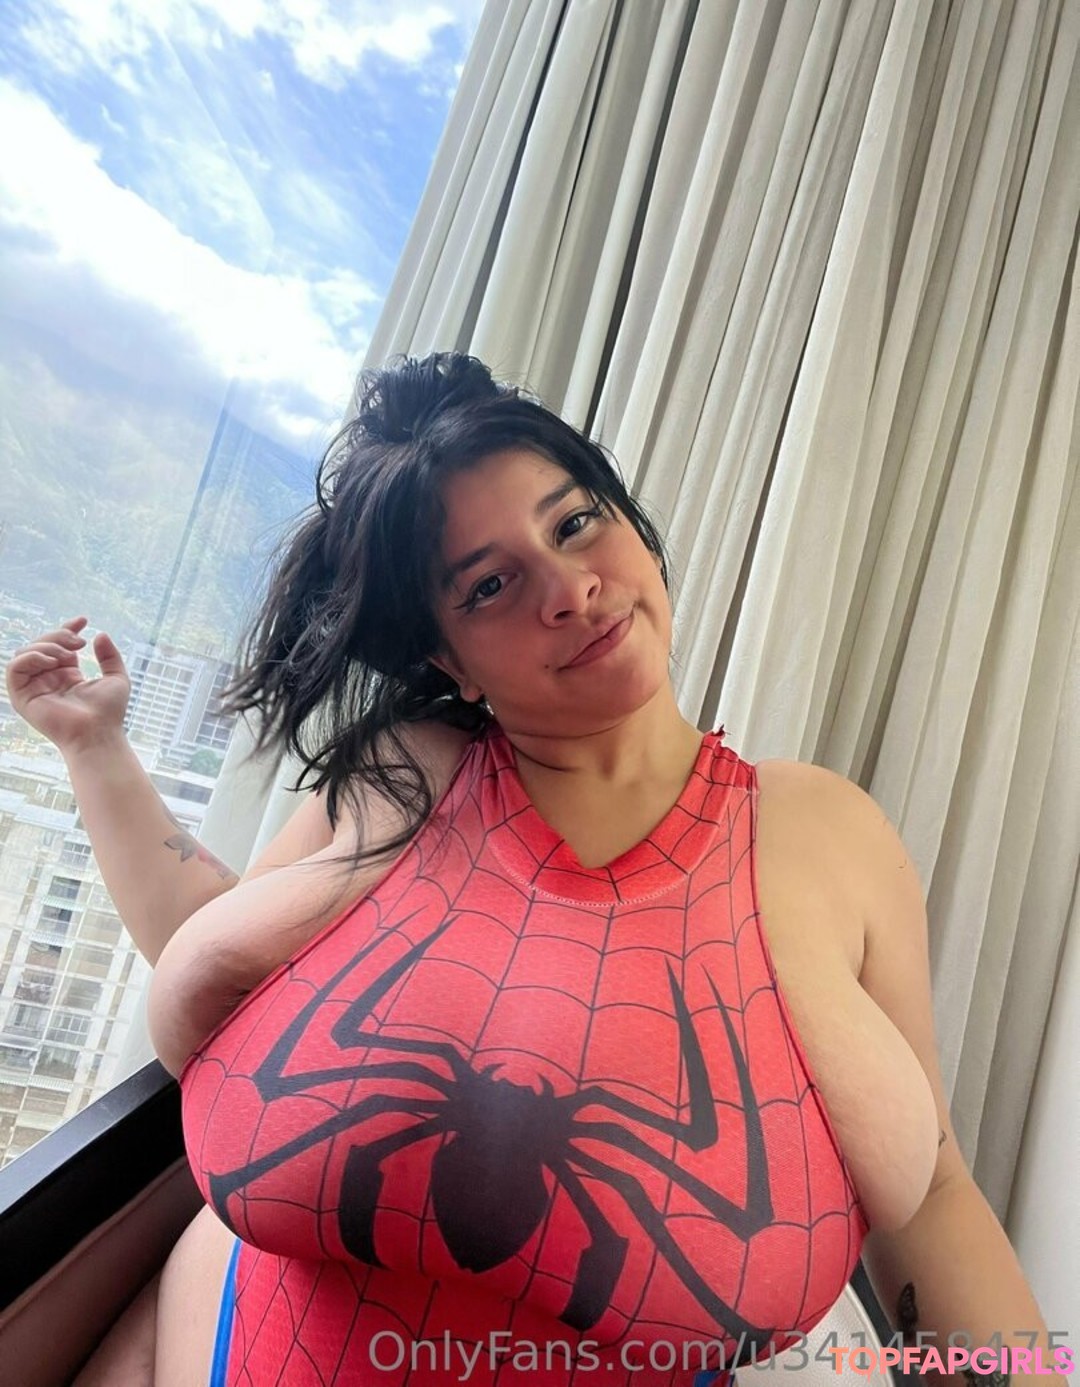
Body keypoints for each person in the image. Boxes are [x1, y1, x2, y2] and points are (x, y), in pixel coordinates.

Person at [7, 352, 1052, 1387]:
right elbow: (229, 965)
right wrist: (96, 750)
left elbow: (934, 1189)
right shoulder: (402, 775)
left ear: (631, 521)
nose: (571, 588)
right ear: (447, 660)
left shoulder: (825, 836)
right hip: (223, 1336)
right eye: (491, 583)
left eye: (576, 521)